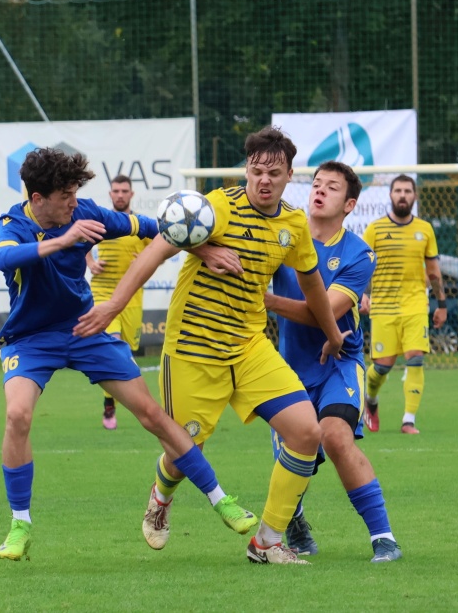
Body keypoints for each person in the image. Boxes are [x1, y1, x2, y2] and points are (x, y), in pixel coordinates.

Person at [76, 126, 348, 565]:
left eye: (273, 173)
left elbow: (312, 284)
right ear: (246, 169)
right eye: (256, 171)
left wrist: (334, 335)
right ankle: (160, 499)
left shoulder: (294, 224)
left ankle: (268, 541)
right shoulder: (215, 206)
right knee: (185, 453)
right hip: (193, 349)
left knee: (305, 432)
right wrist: (113, 306)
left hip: (249, 346)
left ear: (289, 176)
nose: (263, 180)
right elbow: (156, 250)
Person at [0, 147, 258, 561]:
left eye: (75, 192)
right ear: (38, 199)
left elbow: (155, 228)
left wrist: (202, 249)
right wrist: (64, 240)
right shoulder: (13, 223)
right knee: (17, 415)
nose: (74, 201)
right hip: (31, 339)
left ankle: (220, 498)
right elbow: (4, 255)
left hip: (86, 329)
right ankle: (20, 523)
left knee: (152, 414)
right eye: (65, 195)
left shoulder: (87, 212)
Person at [264, 161, 402, 563]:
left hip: (340, 362)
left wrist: (269, 301)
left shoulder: (359, 254)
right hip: (287, 369)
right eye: (316, 184)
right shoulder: (284, 238)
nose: (320, 191)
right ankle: (295, 519)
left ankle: (384, 538)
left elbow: (322, 310)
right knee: (296, 459)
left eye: (332, 187)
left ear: (350, 204)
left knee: (335, 435)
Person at [360, 174, 447, 434]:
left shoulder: (425, 229)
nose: (402, 195)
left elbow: (433, 271)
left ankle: (408, 420)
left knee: (415, 359)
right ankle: (371, 401)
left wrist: (442, 304)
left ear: (414, 196)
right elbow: (363, 267)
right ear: (390, 195)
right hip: (383, 307)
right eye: (398, 190)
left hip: (416, 305)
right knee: (382, 367)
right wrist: (362, 294)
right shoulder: (374, 229)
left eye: (407, 191)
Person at [85, 174, 151, 430]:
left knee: (125, 353)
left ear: (131, 194)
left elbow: (161, 250)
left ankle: (111, 399)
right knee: (112, 346)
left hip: (132, 298)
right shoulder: (102, 222)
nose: (120, 194)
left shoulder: (140, 225)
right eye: (116, 190)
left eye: (125, 190)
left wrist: (145, 259)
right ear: (110, 194)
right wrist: (90, 262)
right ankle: (112, 405)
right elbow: (81, 243)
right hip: (103, 294)